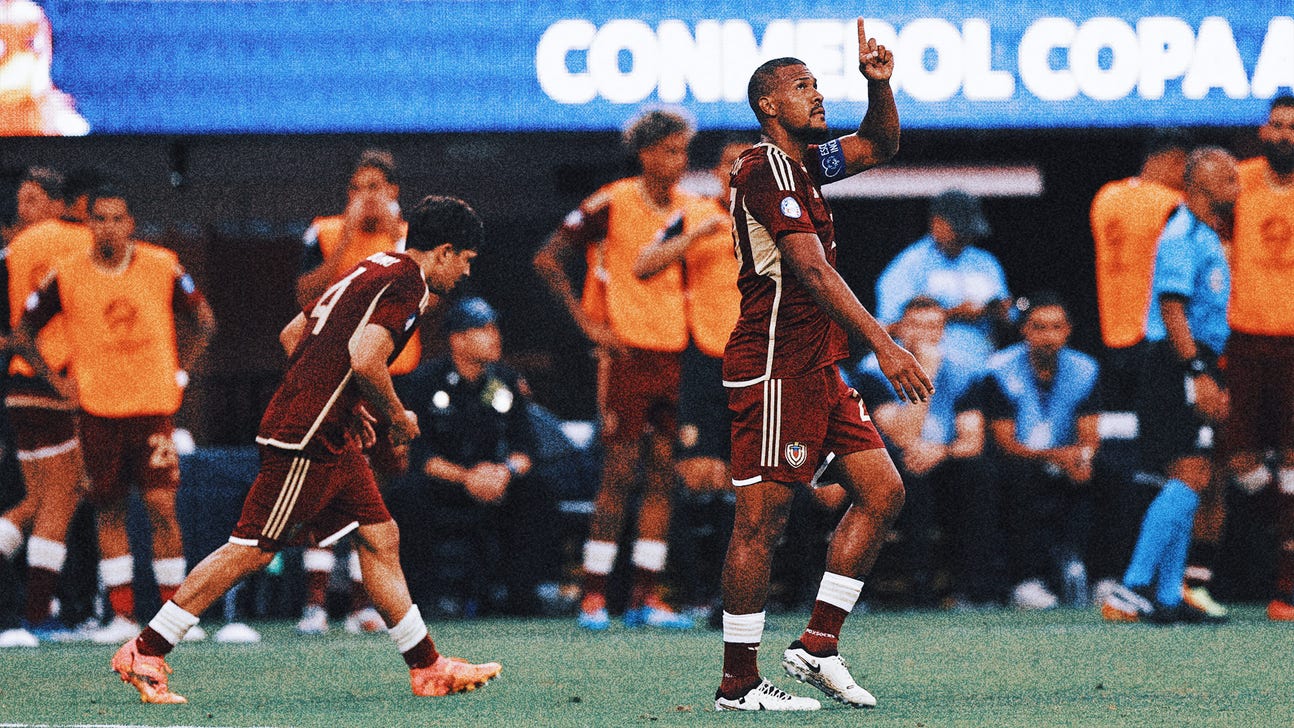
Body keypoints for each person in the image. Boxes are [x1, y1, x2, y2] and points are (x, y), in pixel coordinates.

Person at [108, 195, 498, 704]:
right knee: (251, 550)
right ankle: (146, 648)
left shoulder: (377, 264)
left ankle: (426, 668)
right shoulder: (410, 284)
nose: (466, 273)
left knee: (380, 536)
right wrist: (394, 416)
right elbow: (364, 357)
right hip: (308, 435)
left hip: (325, 428)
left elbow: (294, 333)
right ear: (444, 252)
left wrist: (345, 403)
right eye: (466, 260)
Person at [714, 21, 932, 712]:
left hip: (816, 364)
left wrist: (880, 84)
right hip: (775, 364)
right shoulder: (763, 165)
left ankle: (816, 646)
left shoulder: (805, 163)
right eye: (802, 86)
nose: (817, 94)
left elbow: (883, 144)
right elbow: (807, 268)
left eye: (817, 83)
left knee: (883, 490)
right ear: (768, 104)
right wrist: (883, 341)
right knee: (761, 523)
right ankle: (738, 685)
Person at [533, 108, 724, 631]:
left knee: (664, 475)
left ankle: (647, 596)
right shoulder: (612, 202)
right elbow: (548, 259)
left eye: (683, 151)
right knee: (619, 472)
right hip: (625, 354)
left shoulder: (695, 206)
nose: (679, 161)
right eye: (668, 150)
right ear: (645, 153)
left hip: (677, 353)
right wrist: (588, 326)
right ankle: (593, 595)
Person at [16, 186, 216, 645]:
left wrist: (181, 373)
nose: (108, 227)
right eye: (99, 219)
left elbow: (204, 321)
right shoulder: (66, 273)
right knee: (109, 508)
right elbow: (24, 332)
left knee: (162, 506)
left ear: (130, 224)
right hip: (97, 409)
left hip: (152, 407)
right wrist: (56, 380)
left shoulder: (162, 264)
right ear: (89, 225)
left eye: (116, 219)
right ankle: (123, 617)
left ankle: (174, 615)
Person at [1101, 147, 1238, 624]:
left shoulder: (1206, 233)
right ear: (1200, 184)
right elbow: (1172, 307)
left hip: (1195, 357)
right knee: (1192, 474)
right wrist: (1197, 371)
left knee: (1187, 474)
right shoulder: (1182, 233)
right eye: (1228, 178)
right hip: (1179, 359)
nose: (1236, 186)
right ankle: (1130, 588)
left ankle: (1165, 592)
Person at [295, 148, 411, 636]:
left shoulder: (410, 235)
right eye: (359, 187)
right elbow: (305, 297)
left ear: (394, 193)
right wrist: (346, 237)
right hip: (333, 375)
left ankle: (367, 604)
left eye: (377, 187)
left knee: (377, 492)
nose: (368, 197)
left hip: (388, 374)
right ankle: (316, 605)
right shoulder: (322, 232)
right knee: (322, 483)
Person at [387, 296, 556, 617]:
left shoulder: (504, 382)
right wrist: (467, 478)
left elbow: (526, 447)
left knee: (538, 490)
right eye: (483, 329)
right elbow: (419, 454)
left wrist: (504, 472)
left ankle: (521, 594)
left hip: (494, 481)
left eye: (494, 328)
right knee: (406, 495)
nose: (494, 336)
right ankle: (424, 597)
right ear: (458, 339)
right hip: (445, 482)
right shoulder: (425, 382)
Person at [847, 296, 996, 608]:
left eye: (934, 327)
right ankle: (917, 586)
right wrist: (925, 372)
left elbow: (973, 440)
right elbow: (900, 434)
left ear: (943, 332)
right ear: (900, 330)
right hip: (889, 458)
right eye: (917, 326)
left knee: (979, 472)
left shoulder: (961, 371)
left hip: (939, 456)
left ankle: (976, 589)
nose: (926, 334)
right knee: (906, 469)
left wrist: (941, 451)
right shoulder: (872, 371)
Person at [0, 167, 93, 647]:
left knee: (34, 501)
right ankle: (31, 616)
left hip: (18, 381)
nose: (24, 208)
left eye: (32, 198)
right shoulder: (77, 241)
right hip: (56, 379)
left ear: (54, 203)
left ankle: (30, 612)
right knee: (62, 497)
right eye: (23, 198)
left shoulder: (14, 248)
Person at [981, 294, 1100, 610]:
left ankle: (1106, 577)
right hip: (1021, 460)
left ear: (1068, 330)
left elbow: (1090, 433)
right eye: (1039, 327)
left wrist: (1082, 458)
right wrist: (1055, 457)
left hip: (1066, 455)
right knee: (1015, 477)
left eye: (1056, 327)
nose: (1048, 336)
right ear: (1025, 331)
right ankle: (1026, 580)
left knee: (1112, 472)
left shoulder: (1085, 368)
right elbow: (1005, 443)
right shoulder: (1000, 370)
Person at [1228, 94, 1294, 621]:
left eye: (1292, 127)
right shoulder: (1240, 179)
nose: (1284, 135)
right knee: (1241, 463)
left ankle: (1285, 587)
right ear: (1262, 130)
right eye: (1277, 126)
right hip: (1245, 340)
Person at [1090, 129, 1190, 405]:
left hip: (1112, 334)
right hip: (1156, 334)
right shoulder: (1175, 203)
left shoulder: (1105, 197)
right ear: (1175, 160)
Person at [875, 189, 1011, 362]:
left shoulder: (986, 262)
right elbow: (886, 329)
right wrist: (953, 313)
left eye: (970, 232)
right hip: (930, 366)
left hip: (985, 362)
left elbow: (1012, 320)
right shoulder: (909, 264)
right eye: (959, 231)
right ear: (937, 223)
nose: (965, 237)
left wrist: (997, 311)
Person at [0, 0, 89, 136]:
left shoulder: (32, 14)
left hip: (33, 102)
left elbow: (41, 69)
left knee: (77, 129)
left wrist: (44, 94)